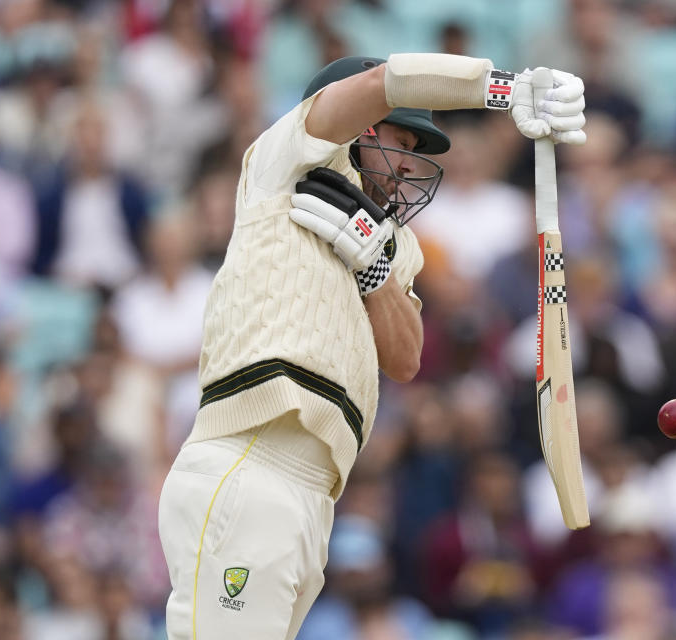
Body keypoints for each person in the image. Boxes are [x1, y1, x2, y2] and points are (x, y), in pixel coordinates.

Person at [156, 53, 587, 639]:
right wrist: (502, 88)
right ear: (358, 131)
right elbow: (385, 81)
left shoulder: (394, 242)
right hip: (249, 458)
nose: (410, 162)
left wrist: (374, 269)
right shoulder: (282, 164)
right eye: (401, 139)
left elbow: (407, 357)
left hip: (315, 496)